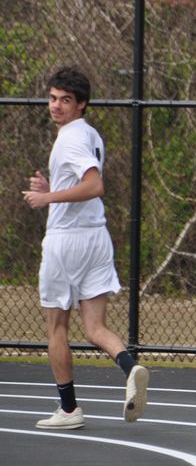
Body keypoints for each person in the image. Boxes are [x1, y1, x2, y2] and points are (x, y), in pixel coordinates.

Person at [22, 66, 149, 429]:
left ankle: (68, 409)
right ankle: (130, 366)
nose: (56, 106)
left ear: (81, 105)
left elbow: (94, 186)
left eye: (65, 100)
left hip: (68, 242)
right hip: (97, 238)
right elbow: (80, 182)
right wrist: (54, 186)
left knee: (56, 326)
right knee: (94, 328)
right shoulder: (90, 135)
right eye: (52, 98)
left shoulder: (71, 138)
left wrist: (47, 197)